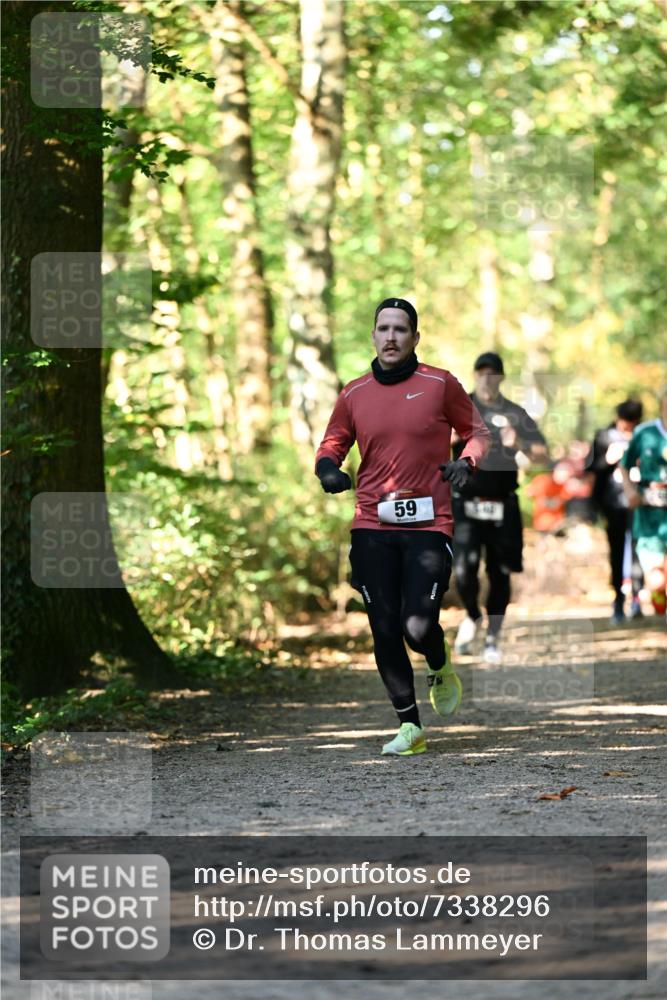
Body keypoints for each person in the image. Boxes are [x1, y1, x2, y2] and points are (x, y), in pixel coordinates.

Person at [314, 298, 490, 757]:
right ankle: (409, 726)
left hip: (430, 524)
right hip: (371, 523)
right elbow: (333, 440)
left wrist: (466, 463)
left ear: (415, 337)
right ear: (373, 336)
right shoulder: (354, 393)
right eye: (383, 328)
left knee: (416, 625)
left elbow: (477, 431)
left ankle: (438, 659)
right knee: (384, 626)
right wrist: (328, 467)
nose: (391, 336)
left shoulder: (439, 383)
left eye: (400, 329)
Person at [452, 352, 548, 664]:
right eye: (481, 372)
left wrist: (517, 441)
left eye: (493, 373)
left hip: (503, 504)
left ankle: (493, 635)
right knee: (464, 570)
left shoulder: (515, 413)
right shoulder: (460, 407)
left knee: (500, 572)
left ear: (501, 377)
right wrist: (454, 435)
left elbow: (542, 454)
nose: (487, 378)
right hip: (466, 502)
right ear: (475, 375)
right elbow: (432, 444)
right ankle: (473, 615)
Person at [588, 399, 644, 623]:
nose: (627, 428)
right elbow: (591, 467)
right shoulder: (604, 436)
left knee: (640, 548)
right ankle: (618, 600)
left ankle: (638, 597)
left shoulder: (644, 435)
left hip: (640, 502)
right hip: (613, 502)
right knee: (618, 550)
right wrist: (606, 459)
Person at [620, 389, 667, 618]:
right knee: (657, 582)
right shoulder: (645, 433)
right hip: (650, 515)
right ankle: (661, 601)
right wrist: (631, 492)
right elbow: (624, 464)